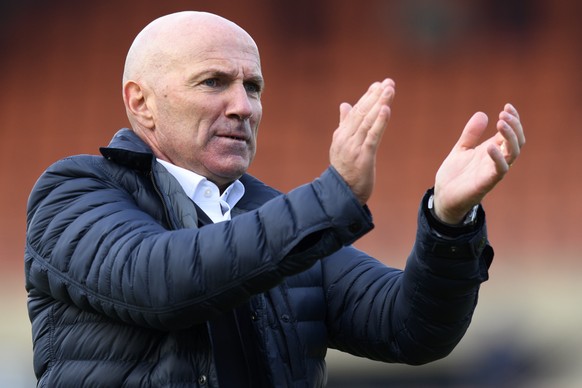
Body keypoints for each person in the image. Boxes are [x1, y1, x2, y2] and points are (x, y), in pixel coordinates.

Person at [24, 10, 525, 388]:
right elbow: (165, 284)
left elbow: (412, 328)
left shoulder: (280, 219)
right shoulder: (74, 192)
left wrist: (448, 223)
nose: (243, 107)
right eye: (214, 82)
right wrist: (333, 197)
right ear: (141, 103)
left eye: (254, 87)